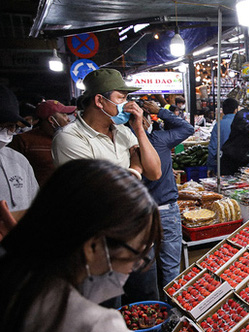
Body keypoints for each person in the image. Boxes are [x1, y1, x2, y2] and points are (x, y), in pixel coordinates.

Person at [0, 159, 168, 332]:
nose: (133, 269)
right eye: (135, 256)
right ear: (92, 247)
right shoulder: (93, 331)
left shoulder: (15, 281)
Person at [123, 101, 194, 302]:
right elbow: (187, 128)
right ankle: (172, 311)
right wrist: (160, 111)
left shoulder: (121, 144)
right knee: (171, 267)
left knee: (147, 270)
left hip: (138, 214)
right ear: (144, 121)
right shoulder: (158, 139)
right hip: (165, 211)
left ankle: (155, 309)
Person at [52, 68, 162, 180]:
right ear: (99, 101)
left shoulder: (122, 131)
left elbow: (155, 173)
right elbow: (98, 188)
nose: (128, 104)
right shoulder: (70, 137)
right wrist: (135, 169)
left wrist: (139, 130)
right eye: (121, 98)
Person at [9, 100, 76, 184]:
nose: (68, 119)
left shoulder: (71, 139)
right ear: (51, 120)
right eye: (64, 115)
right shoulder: (23, 141)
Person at [0, 85, 39, 219]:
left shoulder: (18, 160)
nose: (5, 132)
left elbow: (36, 206)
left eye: (10, 126)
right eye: (1, 125)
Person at [207, 98, 239, 172]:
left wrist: (211, 165)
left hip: (224, 162)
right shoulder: (243, 123)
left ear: (223, 111)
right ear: (236, 110)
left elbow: (213, 147)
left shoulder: (218, 125)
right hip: (242, 162)